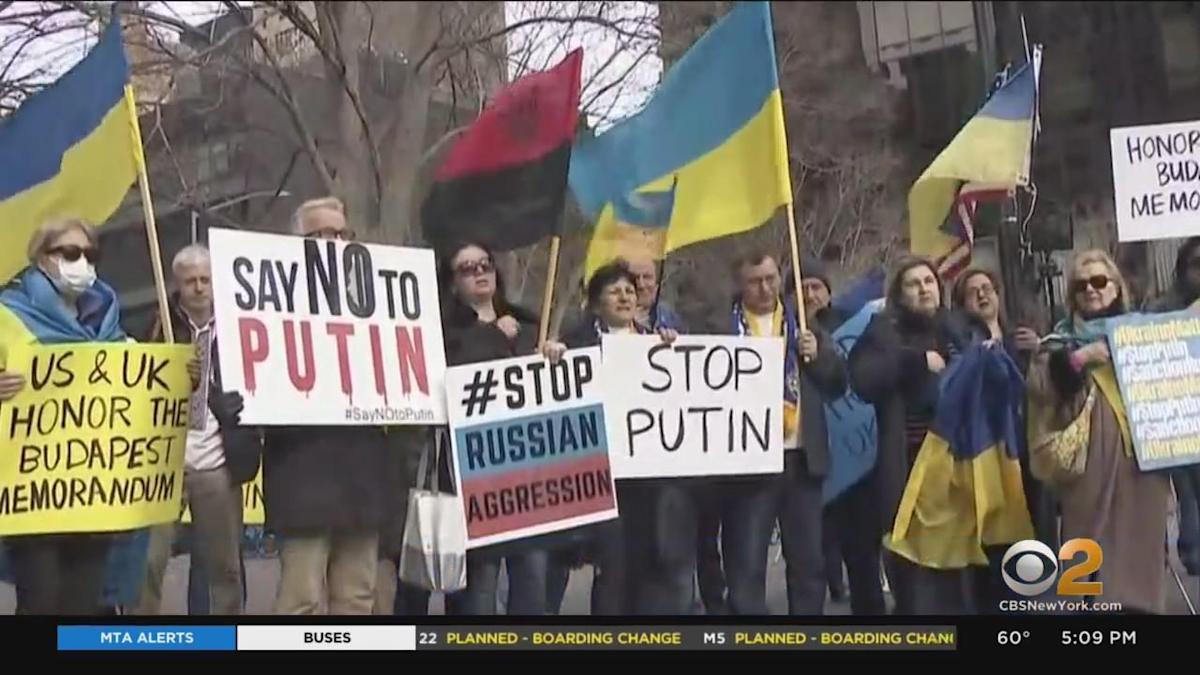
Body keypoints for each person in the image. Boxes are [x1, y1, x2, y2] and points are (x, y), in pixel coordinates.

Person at [0, 218, 138, 614]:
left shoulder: (108, 320)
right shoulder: (7, 314)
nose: (83, 263)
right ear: (41, 257)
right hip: (32, 497)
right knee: (41, 605)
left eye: (90, 254)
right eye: (70, 253)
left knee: (85, 609)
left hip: (93, 494)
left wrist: (184, 378)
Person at [264, 197, 391, 615]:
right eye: (321, 235)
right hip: (303, 470)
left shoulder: (379, 305)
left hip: (362, 470)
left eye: (341, 234)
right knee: (302, 599)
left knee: (356, 597)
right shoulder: (268, 307)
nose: (334, 243)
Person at [1028, 249, 1171, 613]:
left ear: (1116, 287)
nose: (1091, 290)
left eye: (1099, 281)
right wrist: (1079, 359)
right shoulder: (1057, 344)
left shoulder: (1146, 334)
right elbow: (1041, 390)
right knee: (1088, 548)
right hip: (1088, 468)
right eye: (1081, 285)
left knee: (1140, 550)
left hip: (1142, 462)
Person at [542, 260, 678, 614]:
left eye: (630, 291)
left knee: (651, 564)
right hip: (602, 474)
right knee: (613, 567)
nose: (624, 297)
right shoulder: (576, 344)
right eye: (614, 291)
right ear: (597, 303)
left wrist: (674, 352)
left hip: (650, 476)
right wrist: (553, 359)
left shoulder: (657, 341)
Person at [133, 244, 259, 615]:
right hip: (164, 463)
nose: (200, 288)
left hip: (218, 462)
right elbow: (138, 382)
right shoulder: (159, 323)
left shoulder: (240, 326)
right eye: (191, 281)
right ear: (177, 284)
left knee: (224, 566)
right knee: (149, 563)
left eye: (205, 279)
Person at [720, 250, 846, 615]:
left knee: (809, 563)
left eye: (771, 279)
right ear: (740, 285)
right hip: (749, 463)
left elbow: (838, 384)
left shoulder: (804, 325)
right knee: (746, 564)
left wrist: (818, 354)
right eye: (755, 281)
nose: (765, 288)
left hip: (801, 459)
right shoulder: (720, 328)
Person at [849, 256, 975, 614]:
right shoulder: (882, 332)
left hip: (960, 468)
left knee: (961, 571)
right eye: (913, 283)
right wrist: (915, 361)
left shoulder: (958, 328)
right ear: (898, 295)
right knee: (916, 575)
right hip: (909, 468)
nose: (924, 288)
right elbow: (863, 380)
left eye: (929, 281)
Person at [436, 240, 550, 615]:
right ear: (453, 283)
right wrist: (494, 335)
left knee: (532, 585)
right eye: (468, 268)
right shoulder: (443, 331)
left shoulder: (530, 323)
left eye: (485, 263)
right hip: (474, 481)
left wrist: (553, 356)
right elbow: (449, 373)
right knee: (477, 595)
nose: (481, 271)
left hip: (530, 477)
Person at [949, 267, 1051, 612]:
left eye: (988, 287)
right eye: (972, 291)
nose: (982, 295)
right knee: (993, 555)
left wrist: (1039, 351)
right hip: (984, 461)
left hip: (1025, 458)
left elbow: (1046, 391)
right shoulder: (959, 344)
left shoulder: (1020, 338)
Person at [800, 256, 886, 615]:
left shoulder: (858, 326)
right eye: (800, 289)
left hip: (858, 458)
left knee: (862, 553)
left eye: (815, 287)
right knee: (810, 560)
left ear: (829, 292)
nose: (808, 295)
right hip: (809, 461)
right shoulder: (785, 332)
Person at [1149, 237, 1200, 577]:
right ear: (1182, 269)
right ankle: (1194, 552)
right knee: (1189, 493)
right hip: (1179, 417)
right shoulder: (1161, 309)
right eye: (1197, 264)